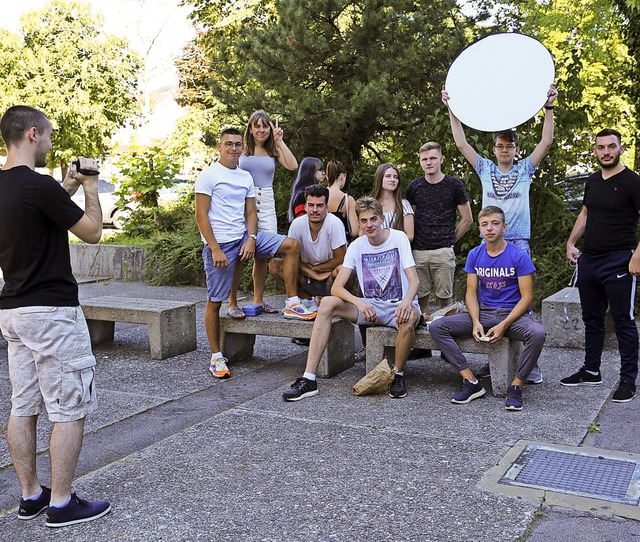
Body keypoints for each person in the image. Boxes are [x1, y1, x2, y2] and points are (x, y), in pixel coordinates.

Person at [0, 105, 111, 527]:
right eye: (46, 135)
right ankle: (62, 503)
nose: (49, 142)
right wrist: (91, 186)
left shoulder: (12, 187)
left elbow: (30, 216)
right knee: (69, 406)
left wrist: (64, 187)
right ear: (32, 134)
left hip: (13, 311)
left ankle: (30, 496)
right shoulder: (39, 185)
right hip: (51, 313)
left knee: (23, 404)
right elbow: (93, 232)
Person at [441, 83, 557, 384]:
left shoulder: (524, 171)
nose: (505, 151)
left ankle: (527, 364)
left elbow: (545, 142)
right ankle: (493, 359)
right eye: (500, 146)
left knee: (522, 306)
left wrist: (549, 108)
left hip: (518, 244)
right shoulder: (486, 169)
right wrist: (453, 109)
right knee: (485, 302)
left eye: (509, 147)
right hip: (489, 243)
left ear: (516, 150)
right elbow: (462, 144)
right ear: (494, 149)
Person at [195, 128, 317, 380]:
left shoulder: (244, 177)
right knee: (215, 301)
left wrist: (251, 239)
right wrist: (215, 247)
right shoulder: (209, 175)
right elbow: (201, 215)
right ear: (219, 147)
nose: (233, 148)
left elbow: (251, 213)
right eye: (228, 144)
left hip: (243, 237)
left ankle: (293, 303)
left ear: (242, 147)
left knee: (291, 245)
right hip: (219, 244)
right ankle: (216, 357)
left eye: (237, 144)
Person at [282, 196, 421, 401]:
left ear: (381, 219)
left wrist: (407, 302)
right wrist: (359, 301)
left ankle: (397, 375)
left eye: (373, 219)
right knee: (327, 303)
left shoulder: (398, 238)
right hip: (370, 307)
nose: (369, 225)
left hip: (400, 305)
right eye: (363, 221)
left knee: (408, 318)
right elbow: (337, 287)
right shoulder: (357, 246)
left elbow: (415, 281)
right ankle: (309, 378)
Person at [429, 206, 546, 411]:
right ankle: (471, 381)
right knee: (437, 327)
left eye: (494, 223)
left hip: (512, 316)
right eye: (484, 224)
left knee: (538, 333)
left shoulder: (518, 256)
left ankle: (516, 386)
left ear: (504, 227)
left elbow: (527, 298)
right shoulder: (475, 255)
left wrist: (504, 324)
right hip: (483, 312)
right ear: (480, 230)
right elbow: (471, 292)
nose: (489, 228)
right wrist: (475, 321)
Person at [562, 128, 640, 403]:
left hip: (620, 260)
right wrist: (572, 242)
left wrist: (636, 256)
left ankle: (628, 380)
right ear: (594, 151)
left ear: (620, 149)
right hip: (590, 260)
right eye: (601, 147)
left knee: (623, 322)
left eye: (611, 146)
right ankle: (591, 370)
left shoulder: (632, 181)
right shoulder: (593, 181)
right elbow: (585, 213)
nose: (606, 151)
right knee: (592, 319)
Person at [227, 111, 298, 318]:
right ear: (250, 129)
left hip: (266, 203)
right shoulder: (242, 150)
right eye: (257, 126)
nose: (261, 130)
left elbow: (293, 165)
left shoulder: (273, 149)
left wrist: (279, 141)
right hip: (244, 203)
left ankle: (258, 300)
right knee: (239, 255)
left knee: (262, 256)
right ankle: (232, 303)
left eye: (265, 126)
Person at [406, 141, 473, 315]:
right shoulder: (414, 187)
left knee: (446, 300)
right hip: (418, 251)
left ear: (441, 159)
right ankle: (421, 338)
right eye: (424, 159)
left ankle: (445, 334)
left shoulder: (454, 185)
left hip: (443, 250)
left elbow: (467, 219)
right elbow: (409, 218)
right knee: (421, 300)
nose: (428, 162)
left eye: (433, 158)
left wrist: (450, 240)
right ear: (420, 161)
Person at [270, 183, 347, 322]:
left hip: (330, 276)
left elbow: (340, 259)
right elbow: (290, 258)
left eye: (319, 205)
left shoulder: (334, 223)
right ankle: (302, 301)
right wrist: (312, 273)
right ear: (305, 207)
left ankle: (332, 302)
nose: (315, 210)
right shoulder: (297, 224)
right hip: (306, 275)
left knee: (343, 270)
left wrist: (316, 269)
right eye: (311, 205)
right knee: (275, 265)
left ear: (327, 208)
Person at [371, 162, 414, 241]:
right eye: (388, 176)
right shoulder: (370, 204)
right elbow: (361, 233)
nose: (393, 180)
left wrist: (387, 241)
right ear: (380, 179)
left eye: (396, 177)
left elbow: (410, 236)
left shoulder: (403, 204)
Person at [325, 159, 358, 242]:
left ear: (326, 176)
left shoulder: (319, 197)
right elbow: (355, 231)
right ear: (343, 176)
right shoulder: (348, 200)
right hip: (342, 244)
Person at [288, 157, 325, 222]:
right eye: (320, 170)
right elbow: (301, 222)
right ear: (310, 172)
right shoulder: (301, 196)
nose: (323, 173)